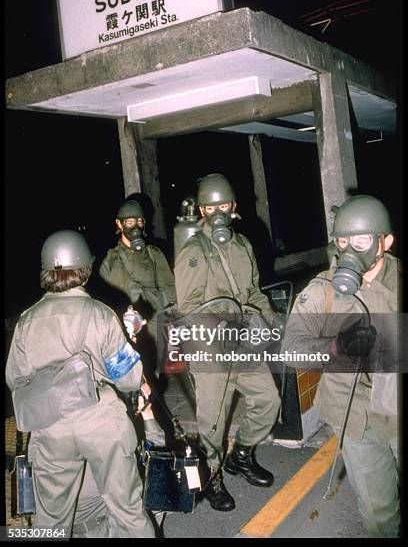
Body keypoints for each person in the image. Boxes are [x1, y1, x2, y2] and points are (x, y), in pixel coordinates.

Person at [6, 230, 155, 538]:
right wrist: (129, 341)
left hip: (50, 426)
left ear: (46, 271)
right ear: (87, 269)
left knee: (51, 521)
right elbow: (128, 380)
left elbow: (16, 381)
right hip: (100, 420)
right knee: (126, 509)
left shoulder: (26, 321)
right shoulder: (101, 314)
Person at [281, 194, 401, 538]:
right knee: (381, 515)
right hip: (357, 417)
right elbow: (291, 350)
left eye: (362, 240)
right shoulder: (323, 291)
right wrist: (336, 346)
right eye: (344, 240)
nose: (351, 250)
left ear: (385, 241)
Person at [174, 173, 281, 512]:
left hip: (244, 343)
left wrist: (271, 319)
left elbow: (252, 291)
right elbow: (188, 308)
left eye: (223, 205)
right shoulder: (194, 251)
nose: (217, 212)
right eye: (209, 207)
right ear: (202, 210)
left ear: (233, 206)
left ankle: (242, 455)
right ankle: (212, 477)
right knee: (213, 422)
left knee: (268, 400)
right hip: (211, 348)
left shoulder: (242, 245)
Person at [72, 383, 165, 538]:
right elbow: (156, 468)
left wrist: (147, 415)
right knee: (155, 492)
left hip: (89, 517)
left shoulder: (76, 430)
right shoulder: (106, 448)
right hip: (96, 530)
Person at [100, 199, 176, 373]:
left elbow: (171, 290)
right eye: (130, 221)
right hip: (125, 331)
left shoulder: (153, 254)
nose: (135, 226)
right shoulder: (111, 260)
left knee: (153, 376)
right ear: (119, 224)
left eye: (139, 221)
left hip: (154, 328)